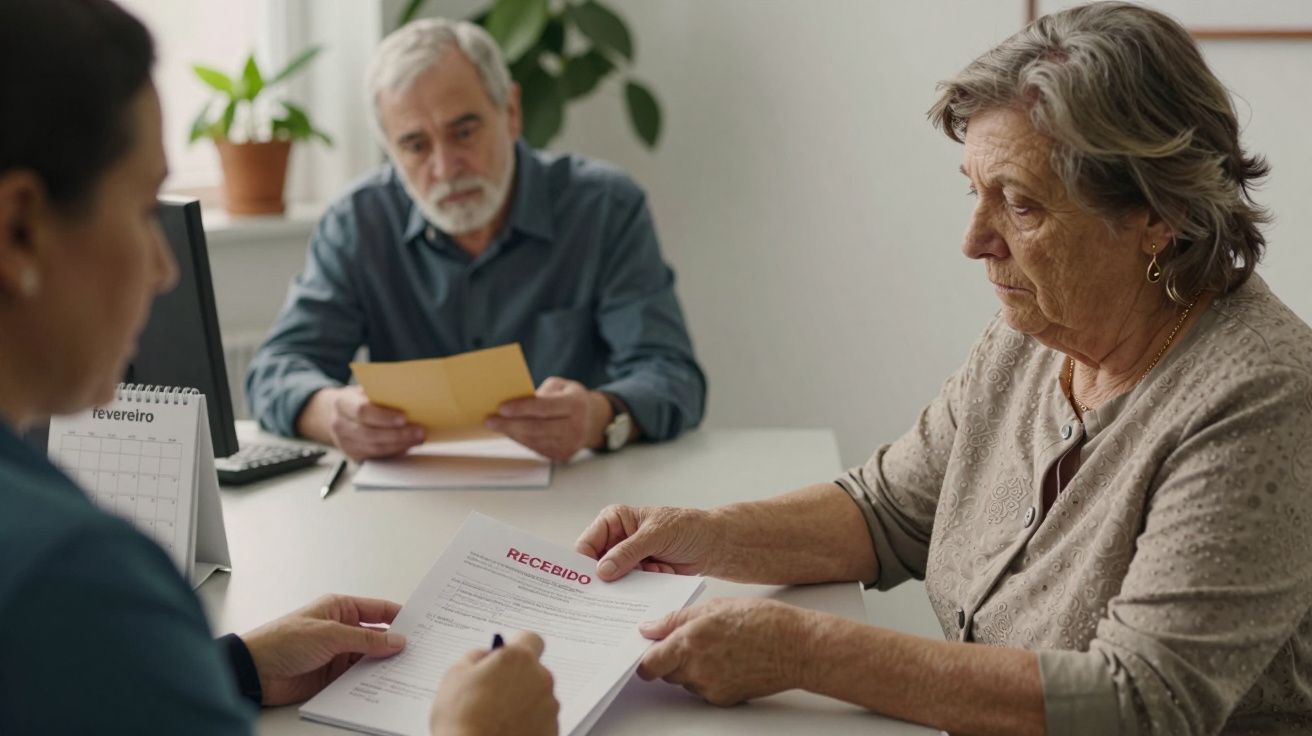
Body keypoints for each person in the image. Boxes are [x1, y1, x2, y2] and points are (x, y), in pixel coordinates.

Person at [573, 3, 1312, 734]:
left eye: (1020, 205)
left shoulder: (1261, 399)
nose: (974, 239)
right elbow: (888, 512)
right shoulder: (1035, 333)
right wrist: (701, 534)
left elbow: (1141, 703)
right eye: (974, 190)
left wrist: (805, 651)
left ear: (1158, 216)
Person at [0, 1, 556, 733]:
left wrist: (237, 667)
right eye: (142, 210)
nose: (165, 269)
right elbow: (283, 365)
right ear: (19, 229)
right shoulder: (72, 576)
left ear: (509, 113)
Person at [246, 18, 706, 463]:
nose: (446, 168)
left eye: (464, 133)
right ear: (390, 148)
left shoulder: (604, 207)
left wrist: (599, 417)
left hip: (580, 491)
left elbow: (671, 374)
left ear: (511, 112)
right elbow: (275, 370)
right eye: (416, 146)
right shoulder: (359, 222)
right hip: (411, 495)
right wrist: (331, 413)